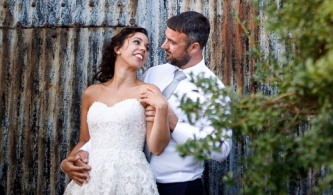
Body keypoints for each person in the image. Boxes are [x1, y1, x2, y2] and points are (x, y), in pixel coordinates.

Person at [62, 11, 231, 195]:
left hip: (178, 187)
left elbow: (221, 151)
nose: (163, 45)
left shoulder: (214, 91)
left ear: (194, 47)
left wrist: (175, 124)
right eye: (166, 38)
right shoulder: (153, 74)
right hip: (131, 184)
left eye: (172, 42)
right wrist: (78, 155)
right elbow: (120, 120)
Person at [63, 27, 170, 195]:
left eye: (147, 47)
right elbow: (85, 140)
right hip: (92, 177)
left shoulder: (148, 91)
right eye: (137, 42)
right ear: (117, 48)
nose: (143, 48)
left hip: (130, 178)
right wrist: (67, 163)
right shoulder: (91, 92)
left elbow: (156, 148)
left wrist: (162, 107)